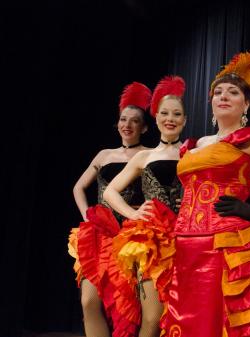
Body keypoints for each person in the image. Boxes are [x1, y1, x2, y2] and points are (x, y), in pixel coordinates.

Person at [160, 50, 250, 337]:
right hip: (184, 246)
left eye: (233, 92)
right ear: (211, 102)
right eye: (218, 92)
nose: (224, 96)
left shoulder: (249, 139)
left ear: (246, 104)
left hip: (223, 245)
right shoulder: (196, 143)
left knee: (220, 321)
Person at [104, 75, 186, 337]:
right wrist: (134, 213)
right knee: (152, 317)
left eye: (176, 114)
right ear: (157, 118)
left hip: (186, 237)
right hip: (150, 239)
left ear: (184, 120)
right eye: (164, 113)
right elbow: (110, 191)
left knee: (177, 315)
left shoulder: (193, 152)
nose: (170, 118)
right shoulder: (144, 156)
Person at [68, 82, 151, 337]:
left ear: (144, 127)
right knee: (89, 301)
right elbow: (78, 188)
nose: (127, 125)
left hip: (132, 234)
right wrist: (86, 214)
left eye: (134, 121)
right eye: (123, 119)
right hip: (100, 233)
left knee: (127, 305)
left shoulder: (149, 155)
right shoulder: (104, 155)